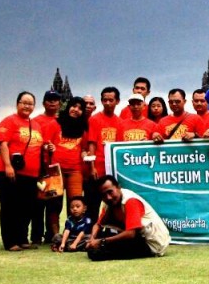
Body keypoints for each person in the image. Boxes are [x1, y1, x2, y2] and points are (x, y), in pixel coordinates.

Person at [0, 91, 51, 251]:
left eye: (30, 103)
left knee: (26, 207)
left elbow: (39, 146)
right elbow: (3, 144)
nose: (27, 106)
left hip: (31, 174)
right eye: (24, 102)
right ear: (17, 103)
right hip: (11, 172)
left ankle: (22, 238)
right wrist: (8, 165)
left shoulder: (36, 125)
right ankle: (10, 241)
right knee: (9, 207)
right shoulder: (9, 121)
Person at [87, 175, 171, 261]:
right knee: (97, 245)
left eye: (110, 192)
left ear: (118, 187)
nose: (108, 197)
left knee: (98, 252)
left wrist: (102, 242)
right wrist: (92, 239)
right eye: (104, 195)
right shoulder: (107, 202)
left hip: (151, 244)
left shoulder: (130, 201)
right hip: (135, 237)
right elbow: (98, 224)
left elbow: (131, 234)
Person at [85, 87, 123, 217]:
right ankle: (90, 232)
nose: (107, 103)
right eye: (104, 100)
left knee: (113, 202)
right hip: (98, 168)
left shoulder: (120, 122)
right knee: (93, 202)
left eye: (111, 100)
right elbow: (92, 143)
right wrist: (92, 166)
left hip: (112, 169)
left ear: (117, 101)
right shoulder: (94, 119)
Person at [35, 90, 64, 244]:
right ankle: (36, 235)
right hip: (40, 166)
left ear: (60, 103)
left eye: (55, 100)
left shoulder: (62, 121)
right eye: (49, 100)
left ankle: (52, 234)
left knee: (55, 201)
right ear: (44, 102)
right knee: (39, 202)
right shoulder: (36, 121)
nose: (52, 103)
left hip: (55, 167)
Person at [53, 96, 88, 203]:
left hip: (75, 171)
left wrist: (85, 155)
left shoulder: (85, 128)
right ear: (68, 107)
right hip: (56, 170)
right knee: (54, 206)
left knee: (75, 204)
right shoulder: (56, 123)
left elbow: (84, 149)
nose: (76, 110)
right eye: (74, 106)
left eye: (80, 108)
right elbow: (46, 143)